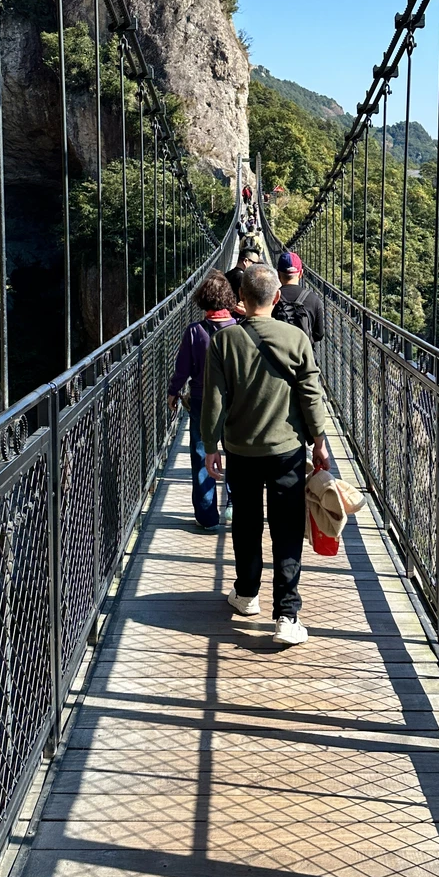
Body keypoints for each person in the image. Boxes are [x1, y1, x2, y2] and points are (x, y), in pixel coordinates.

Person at [202, 263, 330, 645]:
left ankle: (246, 594)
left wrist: (210, 446)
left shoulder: (223, 342)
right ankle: (287, 615)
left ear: (239, 300)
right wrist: (320, 440)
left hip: (240, 451)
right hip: (287, 450)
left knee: (245, 522)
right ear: (276, 298)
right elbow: (311, 395)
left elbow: (213, 399)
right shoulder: (295, 339)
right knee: (287, 528)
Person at [168, 272, 237, 529]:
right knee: (237, 452)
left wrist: (173, 392)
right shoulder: (239, 330)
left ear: (202, 300)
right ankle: (234, 504)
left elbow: (182, 368)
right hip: (233, 402)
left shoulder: (195, 332)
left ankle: (208, 516)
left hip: (200, 400)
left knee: (201, 454)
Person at [272, 250, 324, 347]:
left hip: (277, 357)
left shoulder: (271, 298)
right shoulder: (314, 299)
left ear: (278, 274)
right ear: (301, 273)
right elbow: (319, 334)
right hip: (304, 357)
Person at [225, 241, 262, 309]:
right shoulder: (243, 279)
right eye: (254, 264)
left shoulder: (227, 274)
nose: (256, 267)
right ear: (245, 261)